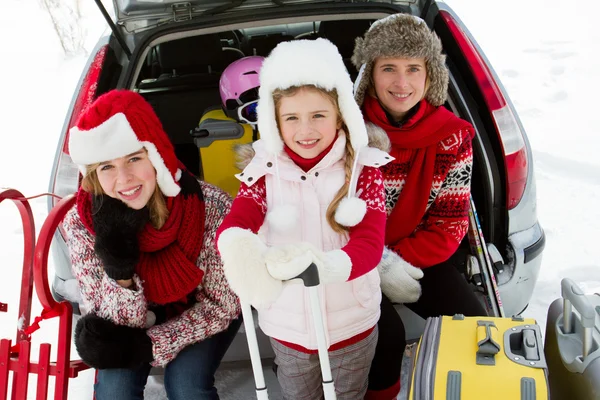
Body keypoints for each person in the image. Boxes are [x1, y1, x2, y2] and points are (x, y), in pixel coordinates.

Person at [216, 38, 393, 399]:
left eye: (318, 116)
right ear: (274, 121)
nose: (305, 130)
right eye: (291, 118)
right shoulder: (261, 173)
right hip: (288, 327)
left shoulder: (364, 171)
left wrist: (328, 267)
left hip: (351, 325)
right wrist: (237, 247)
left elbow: (370, 243)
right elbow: (241, 217)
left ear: (340, 114)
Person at [63, 89, 242, 400]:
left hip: (202, 312)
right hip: (130, 322)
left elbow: (222, 305)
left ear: (157, 155)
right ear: (92, 174)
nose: (125, 178)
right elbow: (105, 320)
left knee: (187, 387)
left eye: (134, 158)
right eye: (107, 166)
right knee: (114, 391)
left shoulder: (210, 207)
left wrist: (151, 345)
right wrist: (120, 272)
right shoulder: (83, 224)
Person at [351, 14, 488, 399]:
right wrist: (377, 264)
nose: (401, 82)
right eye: (388, 68)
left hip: (419, 254)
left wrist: (399, 263)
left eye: (414, 68)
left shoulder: (453, 137)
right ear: (369, 75)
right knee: (386, 336)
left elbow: (448, 224)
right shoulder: (346, 132)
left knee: (477, 328)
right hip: (353, 260)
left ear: (430, 76)